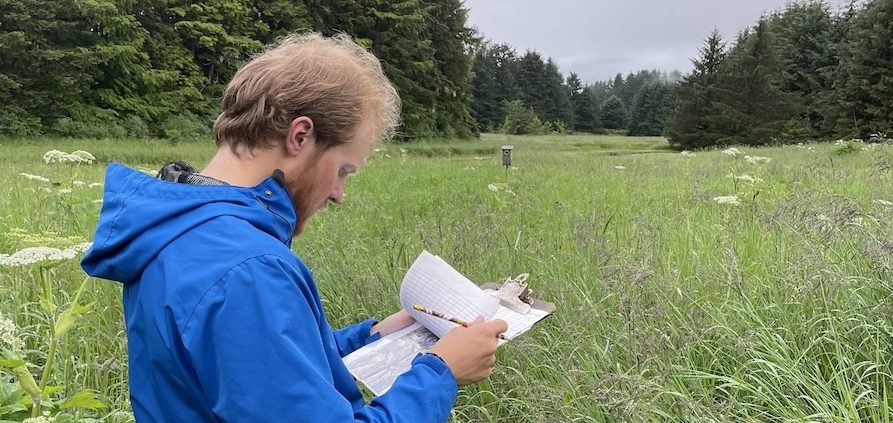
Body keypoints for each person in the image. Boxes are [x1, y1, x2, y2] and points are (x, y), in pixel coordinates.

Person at [81, 33, 508, 422]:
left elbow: (261, 375)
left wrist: (377, 335)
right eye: (343, 169)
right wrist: (441, 372)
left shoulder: (180, 232)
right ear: (300, 136)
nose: (339, 193)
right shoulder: (247, 269)